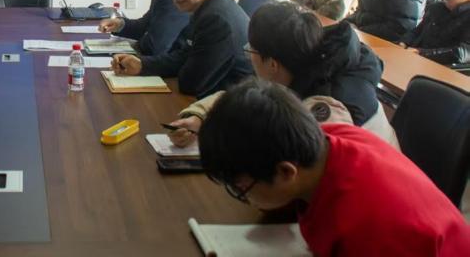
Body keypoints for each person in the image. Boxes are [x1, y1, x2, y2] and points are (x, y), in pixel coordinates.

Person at [198, 79, 470, 257]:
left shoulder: (366, 229)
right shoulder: (327, 139)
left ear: (286, 172)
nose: (244, 198)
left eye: (241, 189)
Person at [165, 1, 396, 148]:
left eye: (250, 50)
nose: (249, 57)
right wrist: (200, 117)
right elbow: (249, 94)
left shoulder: (328, 109)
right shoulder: (305, 63)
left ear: (273, 64)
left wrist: (215, 134)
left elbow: (293, 168)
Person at [111, 0, 252, 98]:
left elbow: (190, 83)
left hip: (235, 105)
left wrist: (178, 64)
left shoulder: (216, 19)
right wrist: (141, 65)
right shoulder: (206, 7)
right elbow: (183, 55)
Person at [402, 0, 470, 67]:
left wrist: (421, 53)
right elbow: (417, 31)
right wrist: (404, 42)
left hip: (447, 68)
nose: (444, 0)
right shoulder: (438, 8)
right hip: (420, 60)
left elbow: (463, 53)